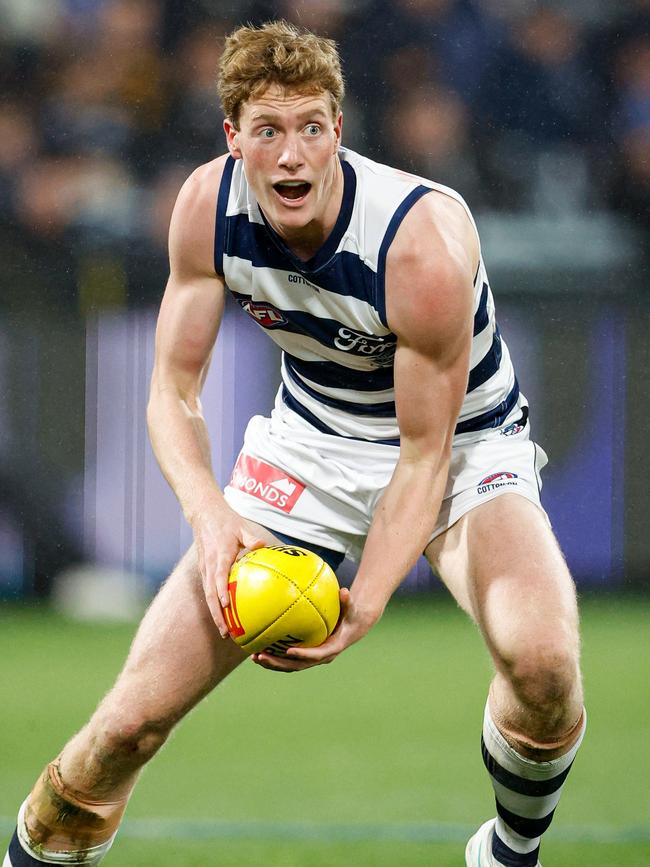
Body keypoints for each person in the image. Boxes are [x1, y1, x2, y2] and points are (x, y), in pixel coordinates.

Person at [4, 20, 585, 867]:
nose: (291, 156)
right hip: (309, 444)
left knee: (542, 666)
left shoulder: (418, 245)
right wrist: (211, 522)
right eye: (267, 130)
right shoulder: (207, 207)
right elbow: (171, 394)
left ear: (338, 133)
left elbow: (424, 457)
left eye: (311, 127)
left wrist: (367, 602)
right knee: (124, 726)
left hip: (463, 445)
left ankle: (507, 852)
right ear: (232, 137)